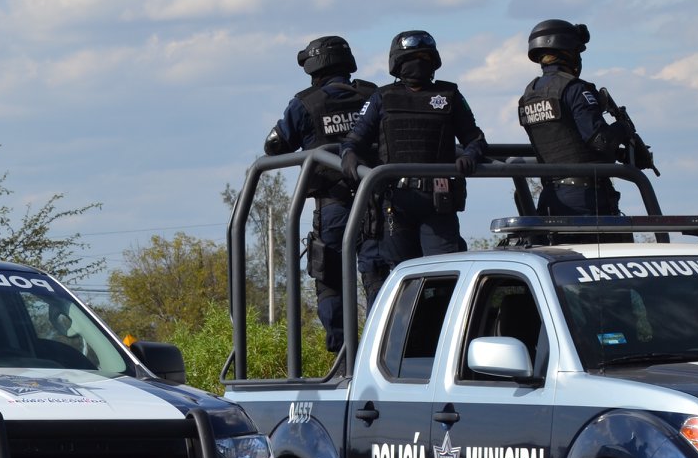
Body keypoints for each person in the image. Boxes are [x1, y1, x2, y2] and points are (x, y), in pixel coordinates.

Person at [339, 30, 487, 294]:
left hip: (438, 201)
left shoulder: (449, 95)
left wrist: (469, 156)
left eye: (423, 57)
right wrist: (348, 156)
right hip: (396, 200)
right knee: (401, 280)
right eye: (411, 58)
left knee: (445, 276)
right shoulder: (382, 98)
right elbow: (355, 139)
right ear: (398, 63)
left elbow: (475, 138)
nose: (418, 63)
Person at [262, 35, 379, 352]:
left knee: (329, 278)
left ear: (313, 66)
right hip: (377, 205)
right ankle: (381, 346)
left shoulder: (305, 103)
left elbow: (275, 145)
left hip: (333, 205)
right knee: (376, 274)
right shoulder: (373, 95)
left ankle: (342, 351)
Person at [516, 19, 638, 221]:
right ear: (568, 52)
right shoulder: (575, 89)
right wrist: (623, 128)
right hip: (586, 198)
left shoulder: (528, 96)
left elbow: (567, 139)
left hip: (551, 197)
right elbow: (600, 140)